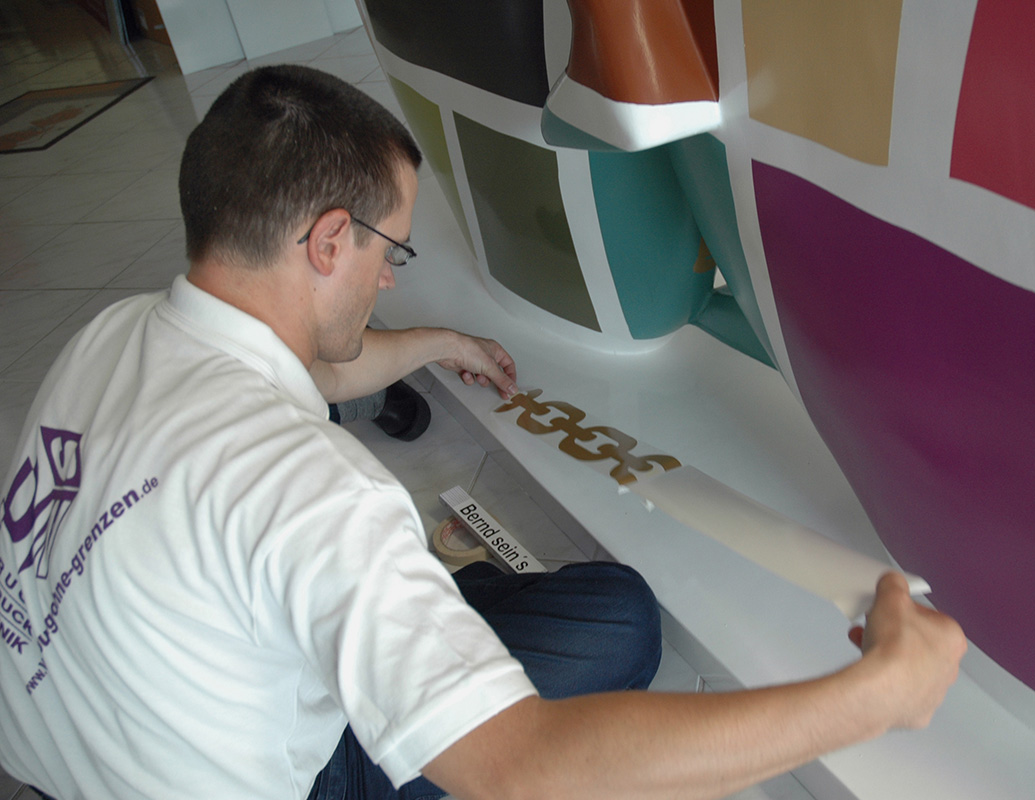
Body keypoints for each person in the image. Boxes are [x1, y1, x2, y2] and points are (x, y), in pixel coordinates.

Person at [0, 65, 966, 800]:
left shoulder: (118, 334)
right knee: (619, 625)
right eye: (390, 247)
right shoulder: (316, 493)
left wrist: (435, 344)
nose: (390, 275)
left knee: (563, 606)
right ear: (328, 240)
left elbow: (310, 370)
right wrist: (875, 695)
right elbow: (519, 771)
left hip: (73, 749)